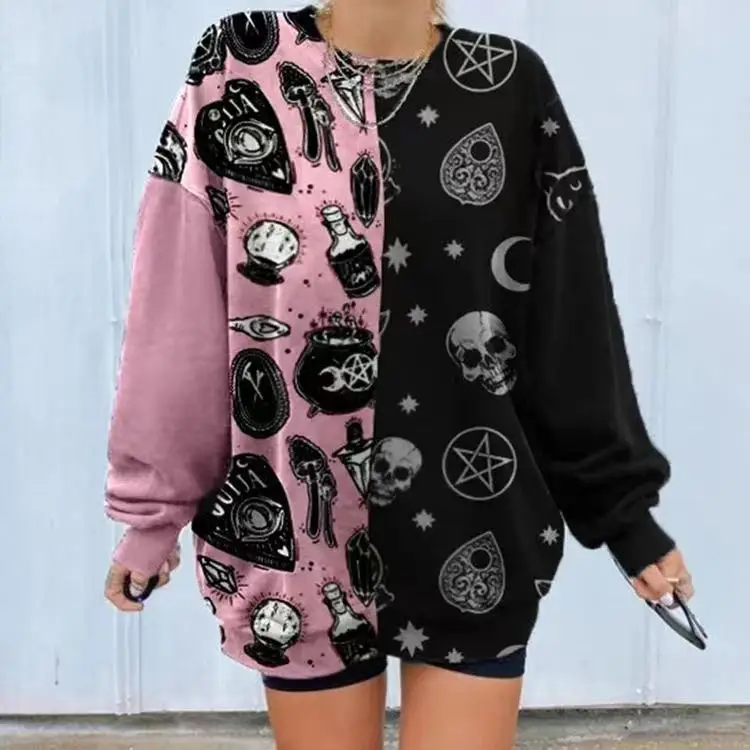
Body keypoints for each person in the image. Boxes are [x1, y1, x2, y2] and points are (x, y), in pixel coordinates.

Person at [103, 1, 695, 748]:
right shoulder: (238, 63)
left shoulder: (509, 86)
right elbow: (178, 310)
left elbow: (569, 324)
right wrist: (153, 514)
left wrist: (625, 519)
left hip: (474, 526)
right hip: (297, 535)